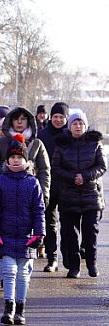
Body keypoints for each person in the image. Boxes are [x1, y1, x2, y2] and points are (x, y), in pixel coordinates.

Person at [0, 135, 45, 326]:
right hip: (5, 235)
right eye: (12, 157)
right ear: (7, 160)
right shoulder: (2, 181)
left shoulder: (33, 182)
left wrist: (39, 233)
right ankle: (8, 306)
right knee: (9, 270)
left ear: (26, 160)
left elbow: (39, 210)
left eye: (19, 157)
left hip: (26, 236)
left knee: (23, 273)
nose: (15, 160)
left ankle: (20, 307)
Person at [0, 106, 50, 268]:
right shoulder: (1, 143)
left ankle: (41, 259)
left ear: (29, 121)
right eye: (16, 118)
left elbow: (45, 170)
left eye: (23, 118)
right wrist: (5, 171)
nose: (19, 122)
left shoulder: (37, 144)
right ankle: (4, 265)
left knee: (36, 227)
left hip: (31, 192)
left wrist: (44, 193)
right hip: (6, 193)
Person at [52, 112, 105, 278]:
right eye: (75, 123)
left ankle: (92, 263)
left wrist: (85, 176)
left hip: (91, 194)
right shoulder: (62, 144)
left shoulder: (94, 143)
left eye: (81, 123)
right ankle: (74, 267)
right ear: (70, 126)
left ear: (85, 125)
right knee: (70, 235)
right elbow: (55, 167)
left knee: (90, 232)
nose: (78, 126)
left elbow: (101, 166)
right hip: (68, 194)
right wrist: (72, 178)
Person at [37, 102, 69, 272]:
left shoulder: (70, 135)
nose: (58, 120)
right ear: (51, 117)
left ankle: (68, 255)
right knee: (49, 222)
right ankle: (52, 258)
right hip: (48, 184)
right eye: (55, 116)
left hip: (67, 185)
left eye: (61, 117)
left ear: (66, 118)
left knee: (67, 222)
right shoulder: (42, 135)